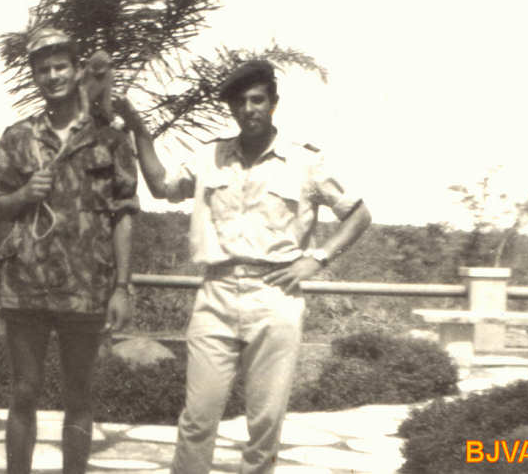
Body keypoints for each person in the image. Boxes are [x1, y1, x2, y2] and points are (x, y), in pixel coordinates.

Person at [115, 60, 372, 474]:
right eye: (240, 102)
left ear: (273, 103)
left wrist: (317, 259)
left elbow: (358, 214)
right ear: (232, 108)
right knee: (198, 417)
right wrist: (138, 129)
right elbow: (163, 187)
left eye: (257, 100)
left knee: (265, 422)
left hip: (275, 296)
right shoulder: (210, 156)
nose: (248, 109)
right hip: (215, 294)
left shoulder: (305, 161)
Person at [0, 27, 138, 474]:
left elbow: (124, 213)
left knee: (79, 395)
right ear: (35, 77)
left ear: (76, 71)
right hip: (26, 284)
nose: (52, 76)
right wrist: (24, 195)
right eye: (43, 70)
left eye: (60, 67)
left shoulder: (110, 138)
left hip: (86, 285)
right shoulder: (18, 137)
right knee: (23, 392)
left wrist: (122, 287)